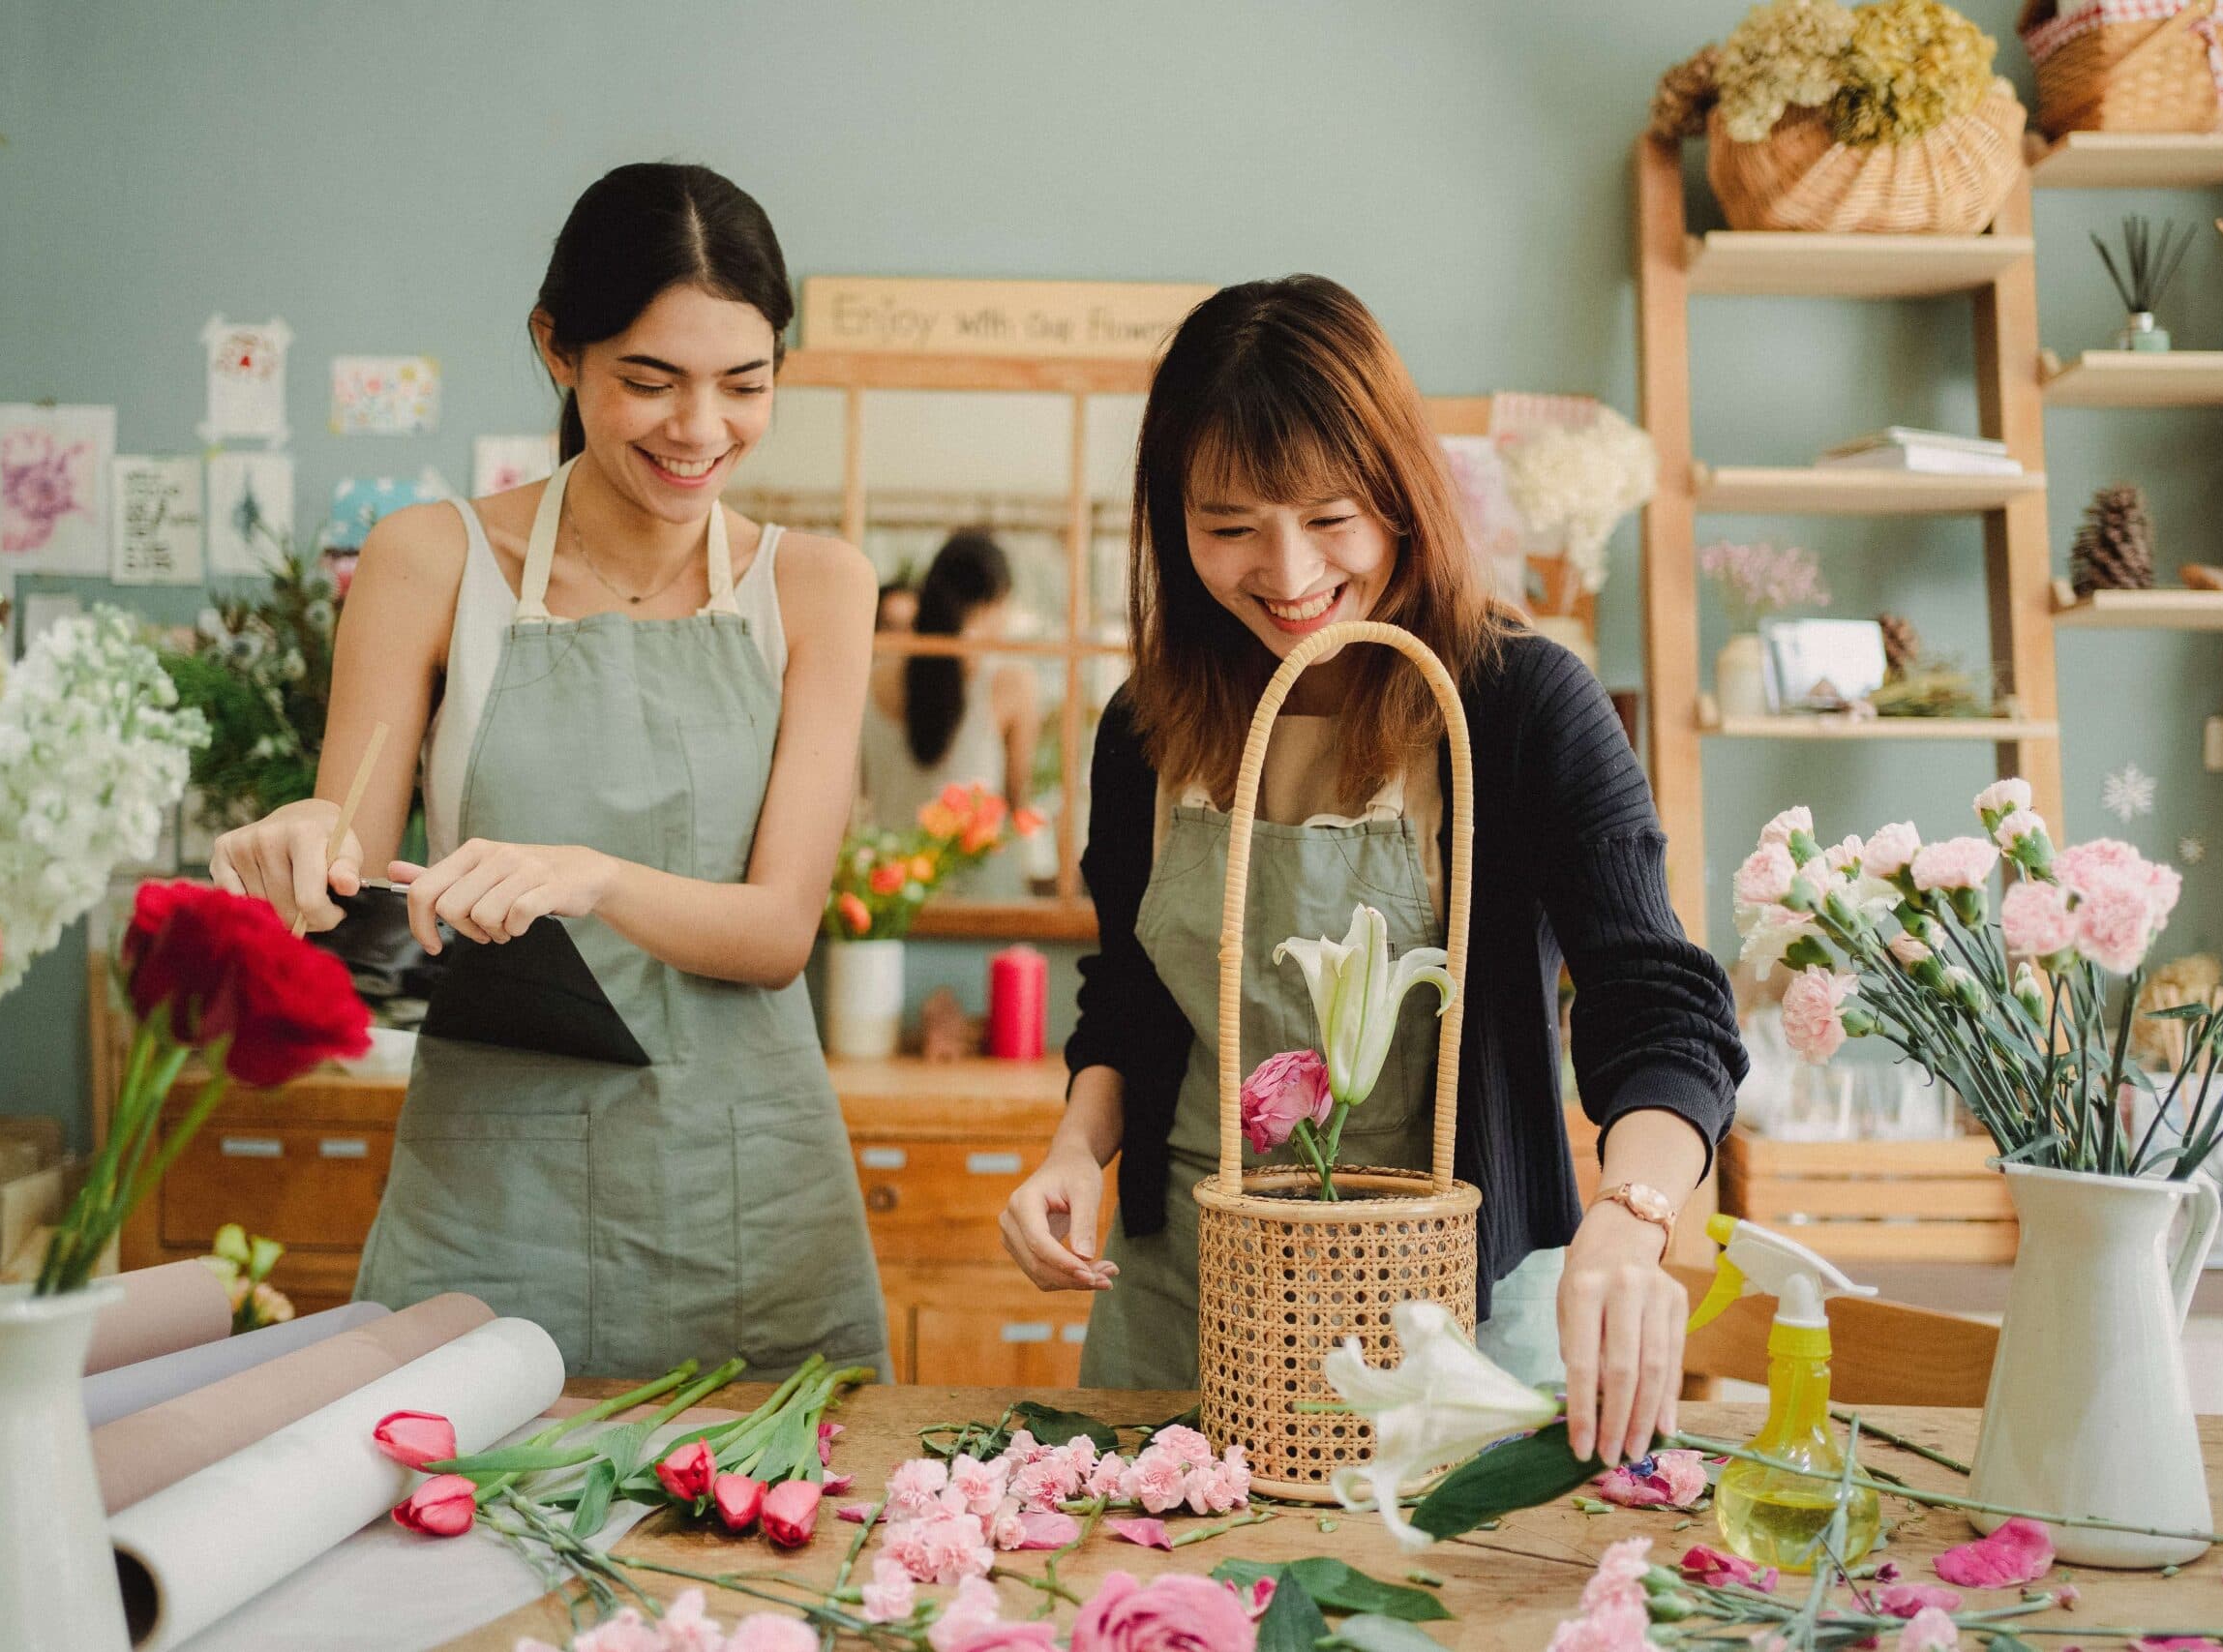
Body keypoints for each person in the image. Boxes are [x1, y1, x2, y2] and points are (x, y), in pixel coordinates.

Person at [997, 276, 1745, 1467]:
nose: (1285, 572)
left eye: (1331, 516)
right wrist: (1075, 1153)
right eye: (1229, 526)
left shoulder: (1521, 706)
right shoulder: (1146, 725)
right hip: (1186, 1299)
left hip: (1459, 1310)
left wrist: (1633, 1215)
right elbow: (1133, 997)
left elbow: (1657, 1000)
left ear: (1405, 496)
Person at [208, 163, 889, 1381]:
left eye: (745, 385)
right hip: (488, 1188)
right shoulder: (431, 559)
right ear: (556, 350)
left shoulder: (818, 588)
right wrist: (297, 849)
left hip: (748, 1190)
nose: (700, 431)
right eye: (648, 380)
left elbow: (781, 929)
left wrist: (593, 877)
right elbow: (347, 868)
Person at [858, 531, 1038, 895]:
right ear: (995, 601)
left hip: (893, 892)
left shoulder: (872, 680)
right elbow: (1018, 803)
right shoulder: (1009, 683)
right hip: (979, 899)